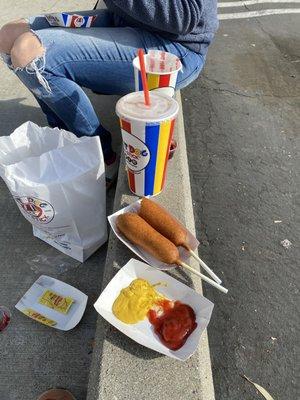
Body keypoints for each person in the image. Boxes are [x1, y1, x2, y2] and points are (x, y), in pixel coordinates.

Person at [0, 1, 218, 183]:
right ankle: (65, 137)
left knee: (30, 54)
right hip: (127, 20)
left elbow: (182, 17)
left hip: (175, 47)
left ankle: (101, 158)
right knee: (10, 34)